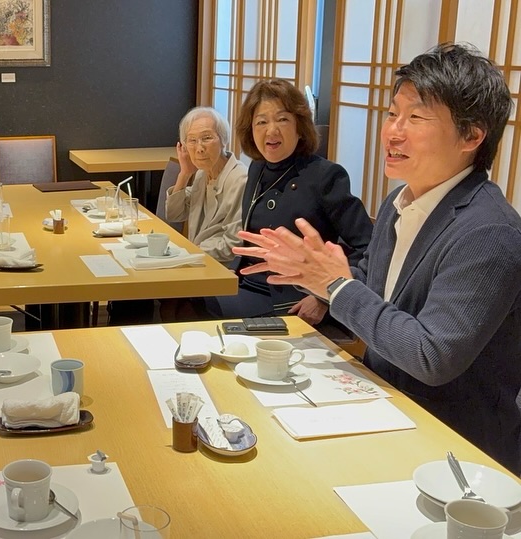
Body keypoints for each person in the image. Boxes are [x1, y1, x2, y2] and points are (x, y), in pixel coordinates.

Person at [233, 43, 521, 473]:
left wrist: (335, 285)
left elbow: (431, 355)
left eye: (416, 118)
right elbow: (371, 280)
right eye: (392, 113)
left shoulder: (489, 232)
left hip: (455, 452)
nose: (392, 132)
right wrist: (312, 273)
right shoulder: (399, 203)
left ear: (472, 136)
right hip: (381, 404)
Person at [205, 79, 372, 325]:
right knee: (179, 298)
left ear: (300, 126)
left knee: (194, 308)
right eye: (261, 122)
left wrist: (324, 297)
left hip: (291, 299)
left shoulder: (325, 176)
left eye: (282, 119)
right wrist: (231, 269)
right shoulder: (257, 168)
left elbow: (367, 248)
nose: (271, 130)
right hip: (246, 282)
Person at [166, 106, 248, 264]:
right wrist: (184, 174)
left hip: (222, 267)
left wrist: (191, 253)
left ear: (223, 140)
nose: (199, 148)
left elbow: (234, 243)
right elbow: (174, 214)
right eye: (192, 140)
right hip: (199, 259)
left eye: (206, 138)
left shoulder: (240, 179)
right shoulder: (202, 174)